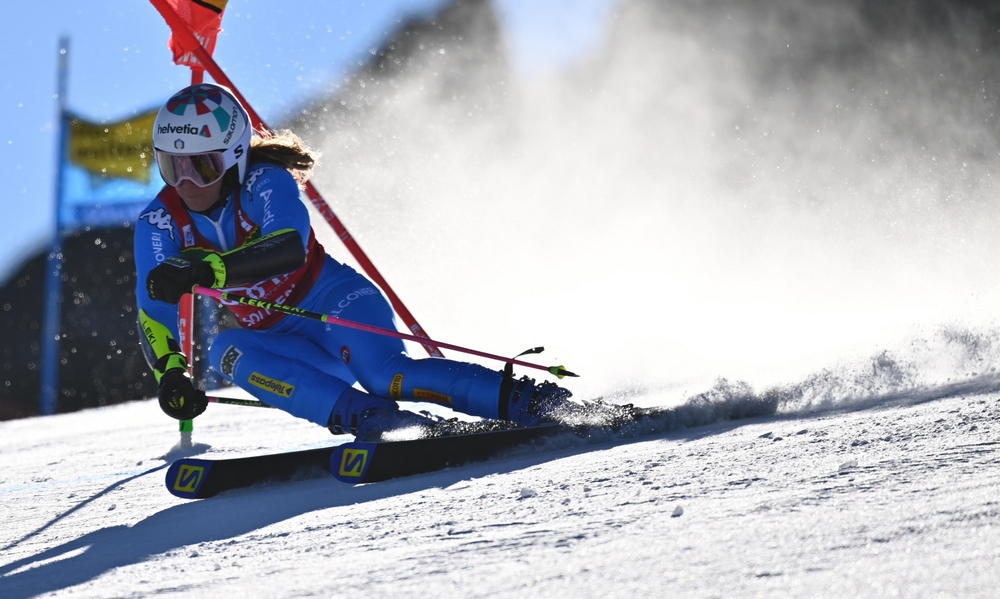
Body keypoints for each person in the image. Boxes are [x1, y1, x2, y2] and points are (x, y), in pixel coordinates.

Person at [134, 82, 574, 441]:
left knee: (386, 375)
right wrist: (172, 375)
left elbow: (286, 246)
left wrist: (211, 270)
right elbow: (153, 307)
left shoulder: (266, 182)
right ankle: (376, 421)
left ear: (233, 158)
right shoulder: (158, 221)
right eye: (173, 168)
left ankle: (531, 402)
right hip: (281, 341)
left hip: (335, 303)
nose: (187, 183)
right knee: (226, 351)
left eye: (203, 167)